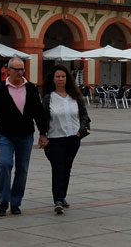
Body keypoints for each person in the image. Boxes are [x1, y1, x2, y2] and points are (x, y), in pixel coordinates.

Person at [0, 57, 47, 216]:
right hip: (6, 135)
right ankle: (4, 200)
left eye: (22, 69)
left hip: (26, 135)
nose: (20, 72)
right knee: (4, 164)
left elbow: (38, 112)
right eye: (17, 69)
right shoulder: (1, 89)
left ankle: (16, 202)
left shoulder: (31, 88)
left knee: (22, 169)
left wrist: (43, 133)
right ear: (8, 70)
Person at [41, 64, 90, 214]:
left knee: (67, 168)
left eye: (63, 76)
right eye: (58, 77)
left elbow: (84, 116)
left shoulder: (75, 96)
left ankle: (62, 197)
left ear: (67, 78)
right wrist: (42, 134)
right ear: (53, 79)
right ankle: (58, 200)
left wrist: (80, 132)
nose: (61, 79)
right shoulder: (48, 98)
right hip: (54, 138)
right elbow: (42, 118)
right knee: (58, 167)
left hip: (72, 139)